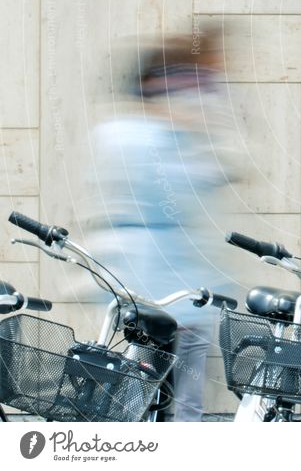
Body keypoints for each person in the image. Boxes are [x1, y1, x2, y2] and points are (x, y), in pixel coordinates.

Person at [89, 32, 238, 421]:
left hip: (134, 270)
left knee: (142, 374)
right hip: (168, 273)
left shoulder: (115, 131)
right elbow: (195, 185)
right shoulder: (159, 136)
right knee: (182, 387)